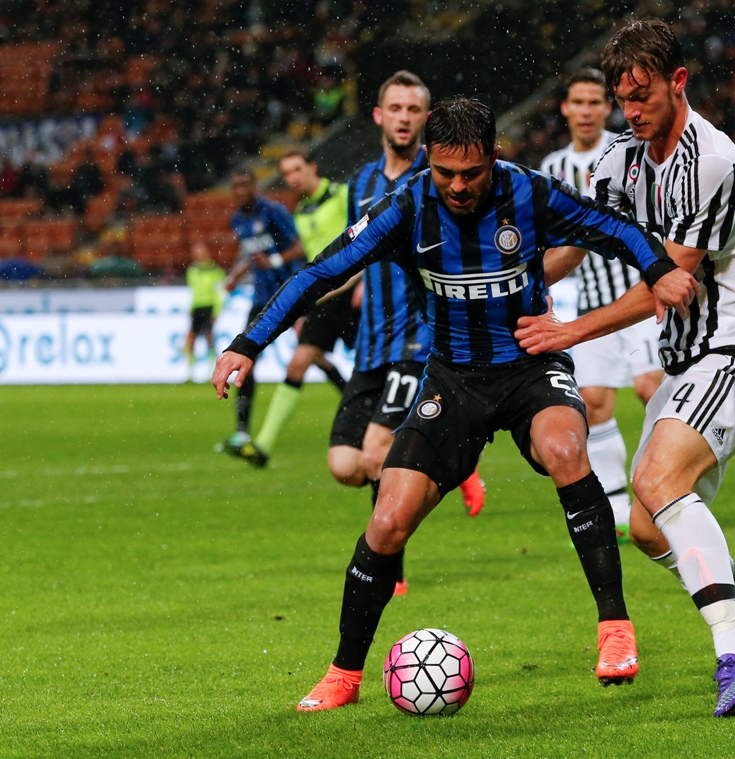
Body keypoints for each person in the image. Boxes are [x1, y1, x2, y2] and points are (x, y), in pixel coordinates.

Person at [211, 96, 699, 712]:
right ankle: (344, 672)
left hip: (529, 364)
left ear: (495, 157)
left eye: (472, 173)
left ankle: (615, 629)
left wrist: (657, 269)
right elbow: (318, 273)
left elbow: (618, 229)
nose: (459, 186)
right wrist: (248, 343)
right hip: (452, 381)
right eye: (446, 173)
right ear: (427, 161)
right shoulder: (406, 206)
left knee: (565, 449)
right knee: (387, 521)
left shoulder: (532, 193)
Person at [515, 19, 735, 718]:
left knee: (653, 479)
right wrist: (516, 281)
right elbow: (581, 244)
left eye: (643, 95)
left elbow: (669, 277)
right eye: (623, 98)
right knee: (650, 525)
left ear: (679, 81)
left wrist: (569, 328)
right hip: (685, 361)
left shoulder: (716, 161)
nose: (632, 111)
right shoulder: (619, 161)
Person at [328, 71, 485, 539]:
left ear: (427, 118)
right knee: (345, 465)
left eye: (413, 110)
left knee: (377, 453)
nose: (404, 118)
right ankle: (456, 461)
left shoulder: (438, 177)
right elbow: (354, 258)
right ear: (379, 115)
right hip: (371, 342)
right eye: (395, 108)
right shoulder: (362, 183)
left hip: (419, 337)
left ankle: (387, 563)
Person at [539, 67, 664, 541]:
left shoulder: (630, 151)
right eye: (579, 102)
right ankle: (616, 504)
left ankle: (662, 487)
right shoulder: (552, 168)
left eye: (596, 102)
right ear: (566, 109)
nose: (587, 111)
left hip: (638, 294)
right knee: (593, 403)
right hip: (590, 300)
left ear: (606, 108)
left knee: (651, 389)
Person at [234, 149, 361, 468]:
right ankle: (262, 444)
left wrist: (367, 282)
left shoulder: (344, 194)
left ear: (312, 168)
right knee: (299, 363)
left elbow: (373, 235)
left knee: (379, 363)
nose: (292, 178)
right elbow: (308, 255)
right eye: (286, 173)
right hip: (325, 298)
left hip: (357, 291)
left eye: (296, 170)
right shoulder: (300, 212)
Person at [217, 169, 306, 456]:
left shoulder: (273, 212)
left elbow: (300, 245)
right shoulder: (237, 219)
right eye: (236, 185)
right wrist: (235, 275)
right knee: (246, 356)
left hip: (290, 293)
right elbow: (251, 254)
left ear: (253, 186)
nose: (240, 190)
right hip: (262, 299)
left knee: (312, 353)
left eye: (245, 184)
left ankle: (356, 406)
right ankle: (242, 431)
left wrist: (276, 259)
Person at [183, 240, 226, 381]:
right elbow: (193, 291)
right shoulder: (192, 271)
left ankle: (211, 369)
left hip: (209, 307)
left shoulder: (216, 271)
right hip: (197, 307)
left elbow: (219, 293)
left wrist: (217, 311)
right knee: (191, 339)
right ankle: (190, 371)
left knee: (209, 337)